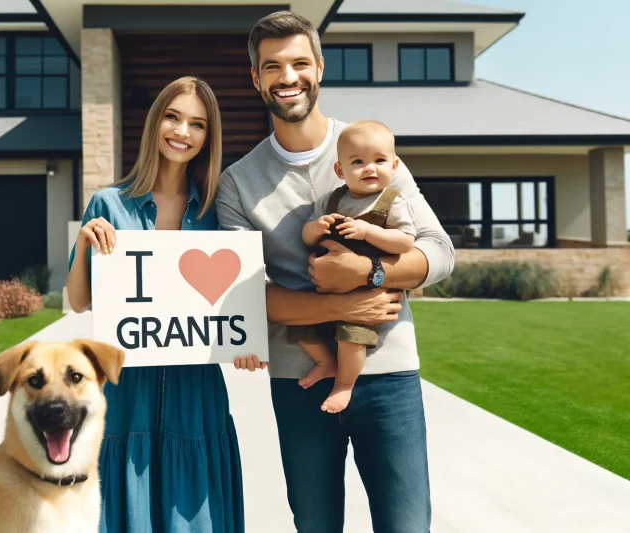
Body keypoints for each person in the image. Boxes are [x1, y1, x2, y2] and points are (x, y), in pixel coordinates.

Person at [219, 11, 455, 533]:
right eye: (272, 66)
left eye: (300, 62)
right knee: (316, 524)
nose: (288, 77)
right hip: (298, 380)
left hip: (388, 375)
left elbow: (439, 252)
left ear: (320, 68)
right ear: (256, 78)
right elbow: (246, 295)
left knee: (407, 525)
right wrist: (339, 304)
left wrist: (369, 275)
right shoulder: (236, 183)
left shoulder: (374, 150)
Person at [66, 76, 244, 533]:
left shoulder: (215, 212)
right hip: (129, 390)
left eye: (197, 124)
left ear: (208, 137)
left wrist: (244, 335)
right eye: (173, 117)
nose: (182, 131)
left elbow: (232, 300)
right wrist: (86, 241)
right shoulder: (108, 203)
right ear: (155, 122)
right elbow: (79, 300)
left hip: (197, 389)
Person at [294, 120, 416, 413]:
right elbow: (306, 235)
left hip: (366, 295)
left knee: (352, 338)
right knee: (300, 328)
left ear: (394, 166)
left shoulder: (393, 201)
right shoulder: (331, 200)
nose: (370, 168)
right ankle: (325, 362)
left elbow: (405, 241)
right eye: (358, 162)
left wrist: (368, 232)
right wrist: (316, 226)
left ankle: (344, 385)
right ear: (340, 170)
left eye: (379, 160)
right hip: (326, 291)